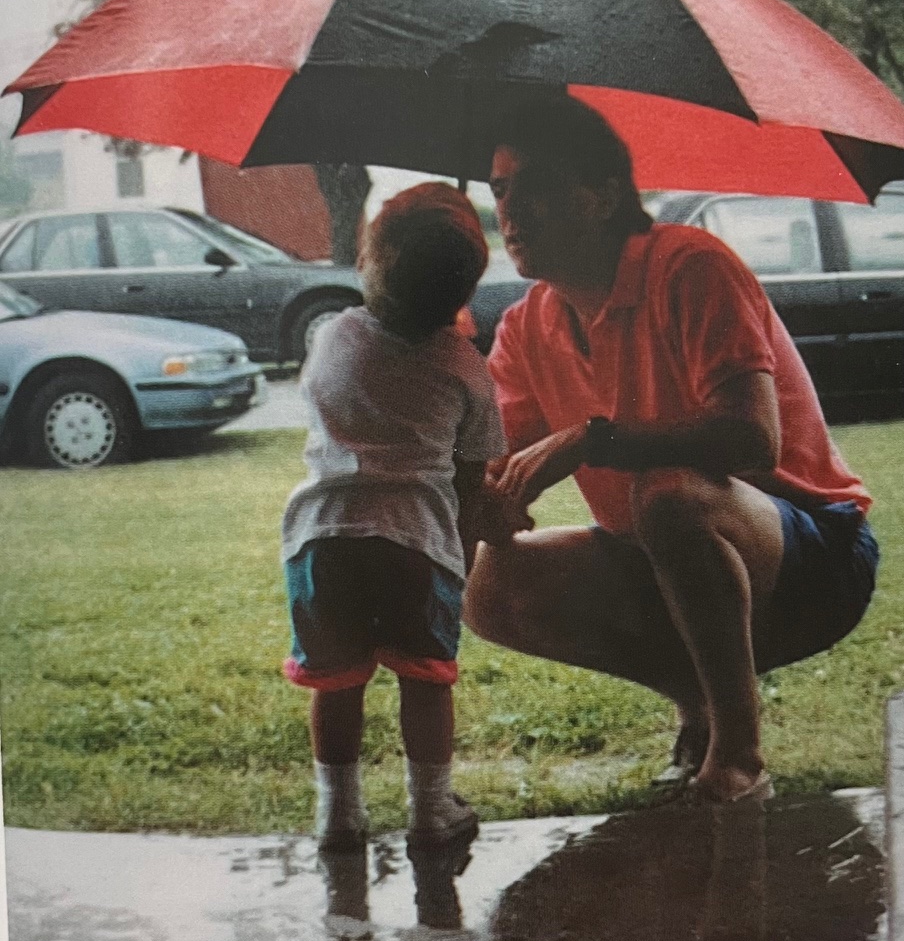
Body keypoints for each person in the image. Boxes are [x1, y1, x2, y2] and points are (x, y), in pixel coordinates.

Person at [463, 94, 879, 805]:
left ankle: (739, 755)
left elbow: (752, 439)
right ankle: (699, 700)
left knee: (666, 495)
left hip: (812, 558)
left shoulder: (691, 267)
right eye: (500, 187)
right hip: (662, 552)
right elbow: (491, 463)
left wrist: (592, 440)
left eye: (534, 183)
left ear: (601, 196)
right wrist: (482, 501)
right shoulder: (528, 324)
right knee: (490, 585)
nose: (509, 207)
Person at [281, 183, 508, 850]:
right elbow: (473, 477)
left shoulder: (333, 336)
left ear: (374, 265)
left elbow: (334, 399)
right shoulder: (467, 367)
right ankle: (431, 810)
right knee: (425, 681)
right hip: (416, 543)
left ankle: (339, 815)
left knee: (337, 684)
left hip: (324, 540)